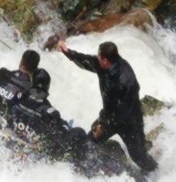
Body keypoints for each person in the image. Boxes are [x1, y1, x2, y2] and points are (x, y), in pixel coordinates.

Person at [58, 40, 158, 172]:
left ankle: (156, 172)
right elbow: (87, 61)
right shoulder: (103, 66)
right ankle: (81, 170)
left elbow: (123, 111)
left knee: (139, 157)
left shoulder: (127, 80)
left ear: (105, 60)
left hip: (130, 122)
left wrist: (103, 125)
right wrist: (68, 53)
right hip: (109, 116)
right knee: (90, 141)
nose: (96, 58)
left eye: (99, 56)